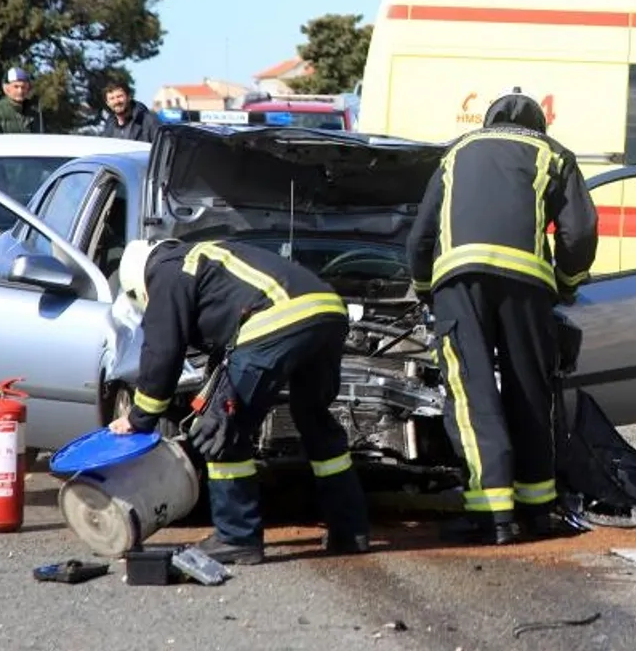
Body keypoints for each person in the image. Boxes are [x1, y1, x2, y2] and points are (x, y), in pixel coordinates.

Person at [407, 88, 599, 545]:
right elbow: (579, 232)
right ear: (538, 126)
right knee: (530, 390)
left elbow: (420, 237)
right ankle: (537, 510)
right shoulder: (554, 154)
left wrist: (425, 289)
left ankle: (493, 516)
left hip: (460, 282)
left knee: (473, 393)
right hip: (528, 286)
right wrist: (567, 283)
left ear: (489, 121)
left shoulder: (457, 153)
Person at [109, 238, 370, 565]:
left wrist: (140, 417)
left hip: (276, 318)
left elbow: (162, 352)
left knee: (219, 428)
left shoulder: (164, 273)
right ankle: (350, 530)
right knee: (315, 421)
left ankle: (236, 536)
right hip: (328, 311)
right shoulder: (203, 257)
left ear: (138, 290)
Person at [0, 67, 44, 134]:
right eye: (16, 87)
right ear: (6, 88)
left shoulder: (36, 111)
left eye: (23, 87)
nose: (20, 91)